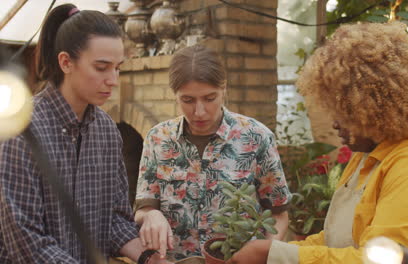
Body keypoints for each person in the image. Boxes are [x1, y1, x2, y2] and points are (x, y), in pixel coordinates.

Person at [226, 22, 408, 264]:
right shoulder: (368, 157)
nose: (334, 124)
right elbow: (337, 240)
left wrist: (279, 255)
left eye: (344, 112)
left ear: (376, 109)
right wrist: (275, 250)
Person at [0, 4, 169, 264]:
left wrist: (149, 258)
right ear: (66, 62)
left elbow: (115, 220)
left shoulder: (106, 130)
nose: (113, 79)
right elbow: (26, 244)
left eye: (117, 68)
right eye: (102, 67)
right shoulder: (21, 130)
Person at [134, 45, 291, 261]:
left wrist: (268, 254)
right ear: (175, 95)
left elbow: (278, 213)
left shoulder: (256, 137)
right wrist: (151, 215)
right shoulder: (158, 138)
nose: (199, 112)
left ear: (224, 89)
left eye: (209, 98)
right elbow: (143, 209)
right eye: (187, 100)